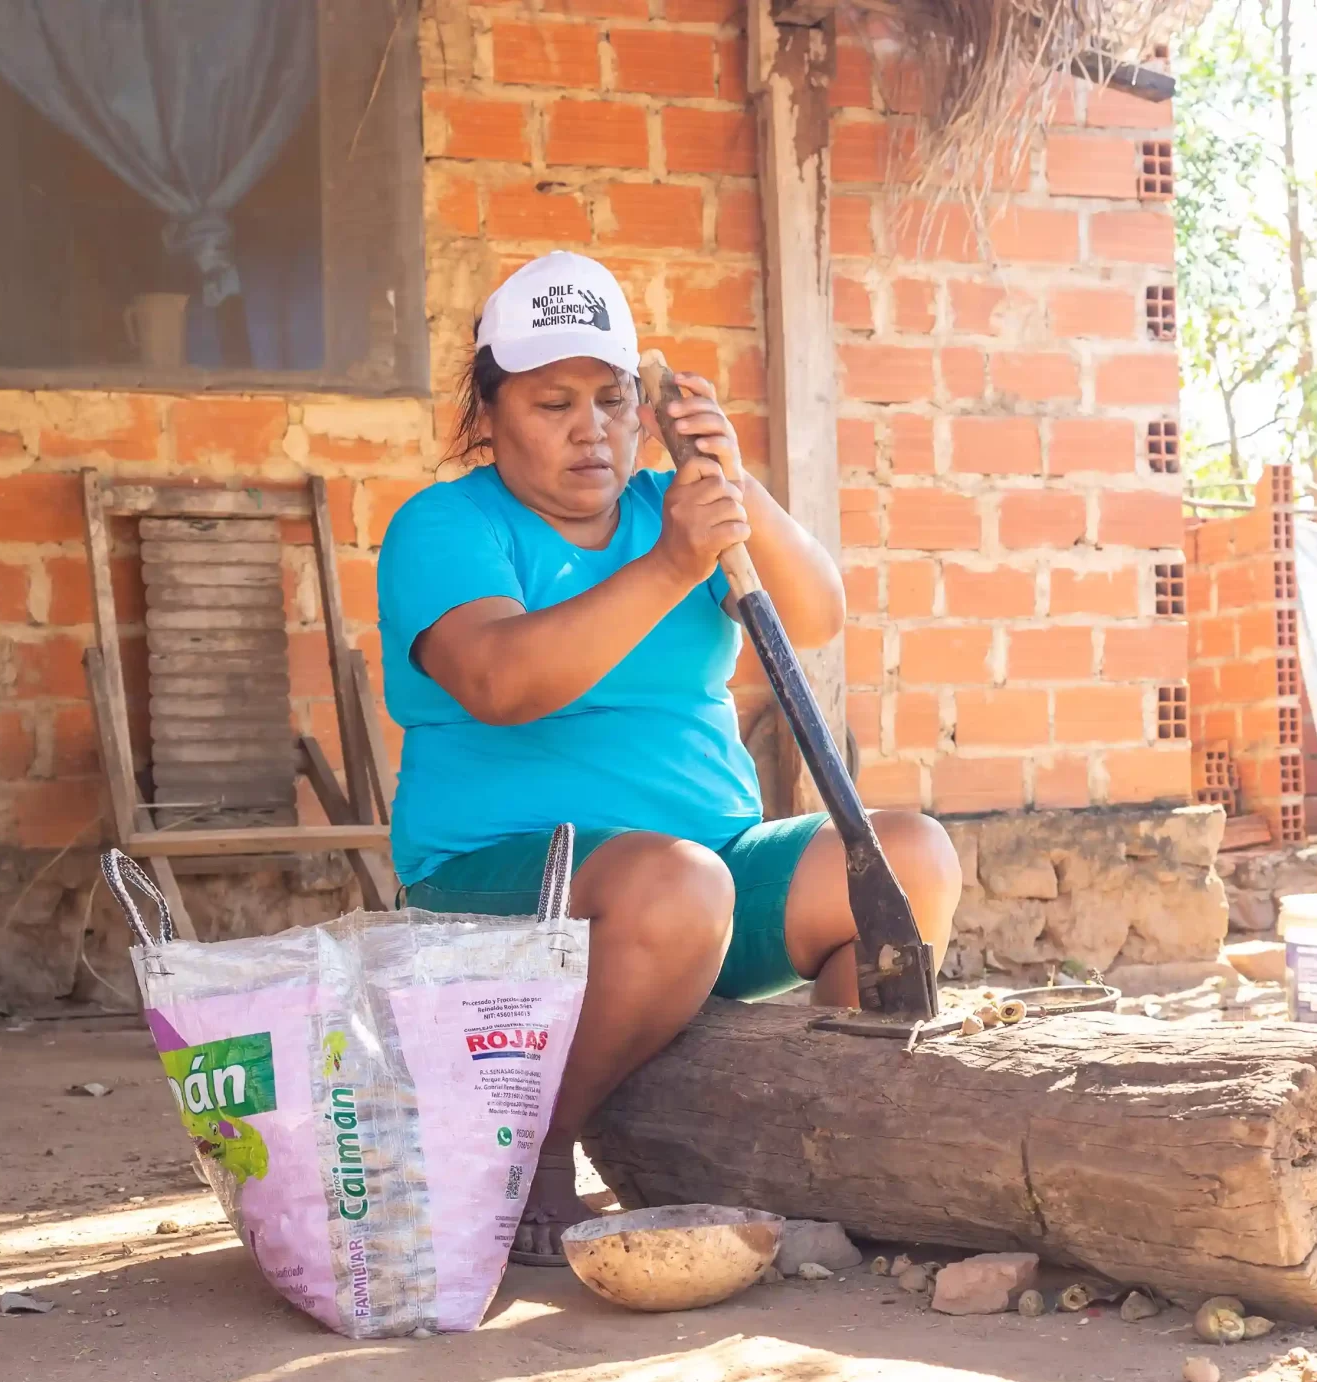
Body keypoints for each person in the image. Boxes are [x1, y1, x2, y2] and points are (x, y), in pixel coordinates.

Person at [377, 253, 961, 1262]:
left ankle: (836, 1144)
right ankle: (530, 1153)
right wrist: (670, 566)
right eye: (551, 402)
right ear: (491, 410)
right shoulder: (447, 525)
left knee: (910, 857)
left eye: (610, 400)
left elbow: (816, 614)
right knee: (677, 885)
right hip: (514, 894)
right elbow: (501, 680)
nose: (589, 429)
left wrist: (736, 488)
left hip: (707, 876)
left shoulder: (675, 506)